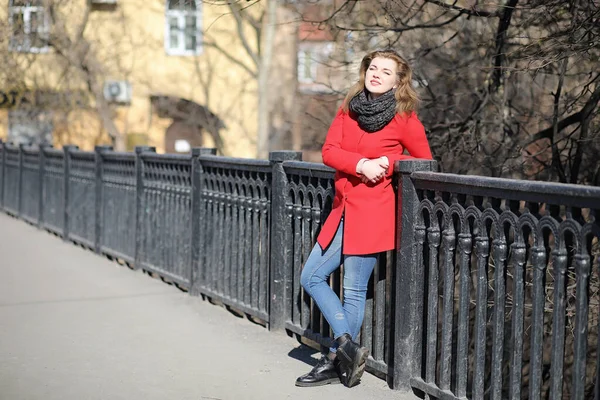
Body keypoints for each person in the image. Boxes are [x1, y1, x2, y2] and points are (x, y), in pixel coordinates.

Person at [295, 49, 433, 388]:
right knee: (311, 276)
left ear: (399, 81)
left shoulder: (405, 118)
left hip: (374, 212)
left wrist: (390, 162)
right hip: (342, 208)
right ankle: (345, 345)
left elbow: (424, 161)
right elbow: (329, 151)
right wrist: (361, 165)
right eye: (373, 68)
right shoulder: (348, 109)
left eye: (386, 72)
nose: (377, 75)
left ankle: (333, 363)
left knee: (354, 289)